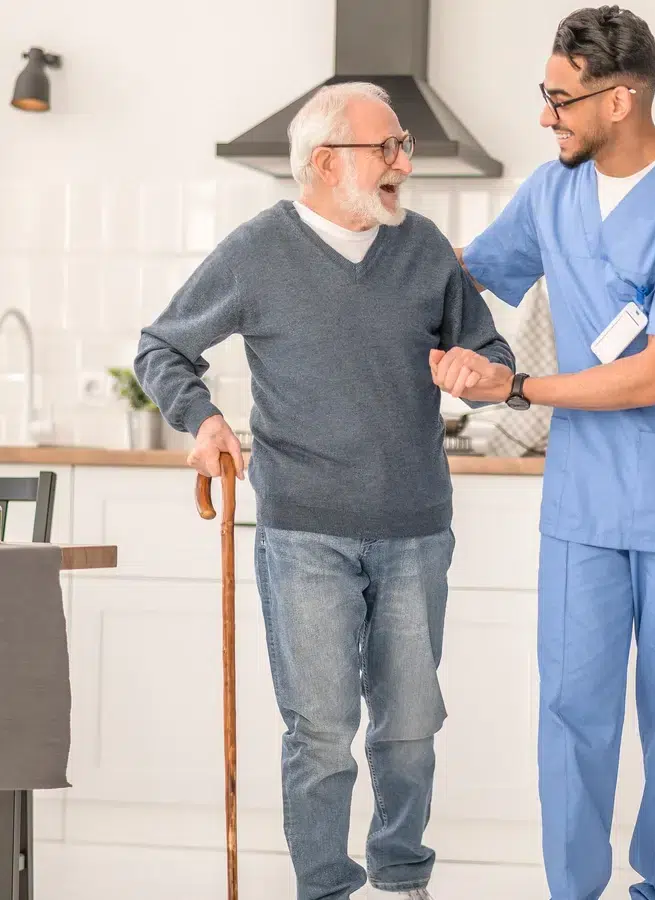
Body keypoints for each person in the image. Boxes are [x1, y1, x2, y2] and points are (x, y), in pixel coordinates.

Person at [134, 81, 514, 900]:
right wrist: (200, 420)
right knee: (322, 733)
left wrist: (483, 375)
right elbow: (162, 349)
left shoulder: (421, 249)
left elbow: (491, 360)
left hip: (416, 527)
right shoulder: (254, 252)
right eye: (388, 149)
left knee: (411, 727)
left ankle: (402, 877)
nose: (404, 165)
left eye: (403, 147)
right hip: (303, 531)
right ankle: (324, 889)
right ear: (321, 163)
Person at [431, 7, 655, 900]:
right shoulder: (551, 191)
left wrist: (518, 389)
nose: (546, 116)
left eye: (559, 99)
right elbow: (469, 271)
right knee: (572, 710)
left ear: (622, 98)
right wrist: (368, 246)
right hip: (584, 500)